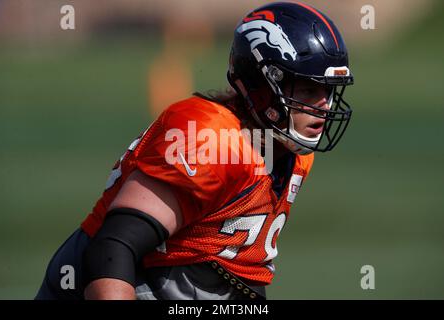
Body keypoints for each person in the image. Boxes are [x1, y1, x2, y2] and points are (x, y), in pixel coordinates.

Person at [35, 2, 354, 300]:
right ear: (263, 85)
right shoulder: (209, 138)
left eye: (327, 91)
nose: (324, 106)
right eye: (309, 90)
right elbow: (113, 248)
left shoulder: (294, 153)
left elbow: (240, 272)